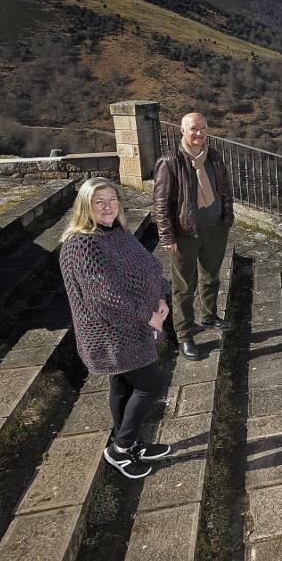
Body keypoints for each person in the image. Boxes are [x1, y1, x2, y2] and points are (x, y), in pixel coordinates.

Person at [59, 177, 173, 480]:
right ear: (85, 206)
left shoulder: (118, 233)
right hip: (111, 332)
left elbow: (149, 268)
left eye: (112, 199)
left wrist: (160, 297)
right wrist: (147, 316)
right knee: (151, 383)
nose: (108, 206)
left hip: (133, 325)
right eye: (99, 201)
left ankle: (131, 441)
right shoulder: (83, 244)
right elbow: (105, 299)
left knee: (123, 385)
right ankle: (120, 450)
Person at [153, 112, 234, 361]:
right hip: (184, 234)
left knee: (211, 278)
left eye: (202, 128)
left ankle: (209, 316)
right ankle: (185, 336)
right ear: (182, 131)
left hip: (215, 229)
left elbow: (225, 189)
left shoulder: (214, 157)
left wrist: (227, 217)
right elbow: (160, 204)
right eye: (193, 129)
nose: (198, 133)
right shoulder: (169, 162)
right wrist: (167, 237)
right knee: (184, 288)